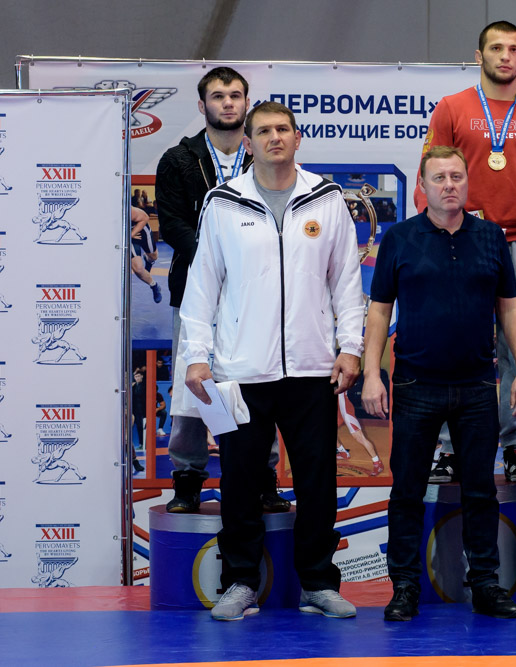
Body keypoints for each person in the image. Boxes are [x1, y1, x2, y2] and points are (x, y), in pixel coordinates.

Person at [181, 101, 365, 621]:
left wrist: (349, 347)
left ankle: (318, 584)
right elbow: (202, 286)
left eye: (283, 129)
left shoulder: (326, 198)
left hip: (311, 368)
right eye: (263, 131)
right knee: (240, 482)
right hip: (240, 371)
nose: (274, 137)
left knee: (317, 482)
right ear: (248, 142)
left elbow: (347, 281)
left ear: (297, 138)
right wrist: (196, 357)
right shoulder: (223, 202)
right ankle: (240, 582)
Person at [363, 145, 516, 622]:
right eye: (439, 178)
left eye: (457, 176)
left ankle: (486, 585)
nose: (449, 185)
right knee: (407, 492)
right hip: (416, 385)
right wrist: (373, 373)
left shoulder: (491, 237)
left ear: (467, 182)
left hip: (477, 386)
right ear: (423, 185)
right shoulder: (400, 238)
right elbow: (378, 312)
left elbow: (510, 308)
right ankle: (404, 588)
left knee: (481, 491)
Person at [417, 20, 516, 484]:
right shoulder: (452, 107)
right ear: (479, 55)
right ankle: (450, 449)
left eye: (514, 49)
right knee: (458, 346)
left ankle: (515, 445)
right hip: (464, 240)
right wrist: (437, 233)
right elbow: (429, 176)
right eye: (497, 48)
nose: (506, 56)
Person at [156, 66, 288, 514]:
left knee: (257, 385)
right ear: (202, 105)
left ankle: (264, 476)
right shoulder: (178, 160)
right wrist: (219, 256)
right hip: (194, 292)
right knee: (191, 386)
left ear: (247, 103)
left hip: (254, 295)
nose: (227, 103)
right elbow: (172, 225)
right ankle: (187, 476)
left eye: (235, 95)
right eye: (218, 96)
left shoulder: (264, 154)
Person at [128, 206, 162, 303]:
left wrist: (131, 234)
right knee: (138, 269)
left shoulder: (128, 210)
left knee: (154, 256)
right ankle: (154, 285)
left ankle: (149, 261)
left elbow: (145, 217)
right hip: (129, 238)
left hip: (141, 231)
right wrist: (128, 236)